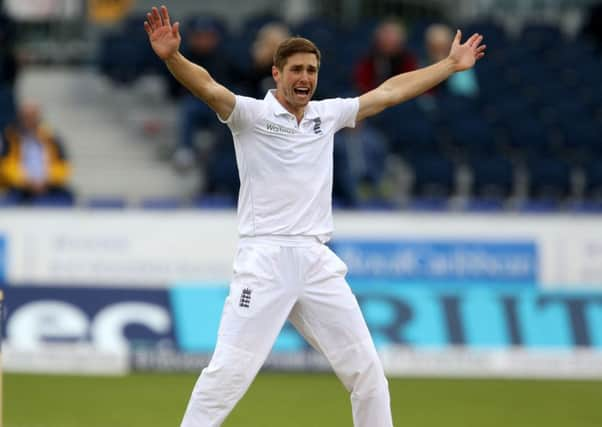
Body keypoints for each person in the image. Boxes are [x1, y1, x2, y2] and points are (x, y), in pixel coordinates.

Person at [144, 6, 485, 426]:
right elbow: (210, 89)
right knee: (227, 374)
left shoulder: (328, 115)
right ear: (277, 74)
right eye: (296, 70)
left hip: (317, 261)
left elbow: (390, 92)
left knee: (369, 375)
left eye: (311, 70)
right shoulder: (252, 115)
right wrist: (173, 58)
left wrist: (450, 64)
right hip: (265, 260)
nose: (305, 78)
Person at [0, 100, 73, 204]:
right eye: (26, 116)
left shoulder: (51, 138)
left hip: (48, 186)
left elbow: (64, 165)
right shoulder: (9, 137)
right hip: (17, 187)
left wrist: (47, 180)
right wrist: (24, 180)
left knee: (68, 197)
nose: (29, 120)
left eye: (32, 116)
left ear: (39, 116)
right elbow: (5, 164)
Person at [352, 18, 418, 94]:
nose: (388, 38)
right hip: (372, 98)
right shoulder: (368, 58)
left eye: (393, 34)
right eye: (386, 33)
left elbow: (410, 84)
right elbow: (361, 84)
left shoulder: (408, 60)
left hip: (401, 98)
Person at [424, 23, 479, 98]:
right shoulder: (420, 68)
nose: (439, 54)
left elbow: (468, 98)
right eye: (435, 49)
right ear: (428, 48)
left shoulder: (463, 69)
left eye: (443, 48)